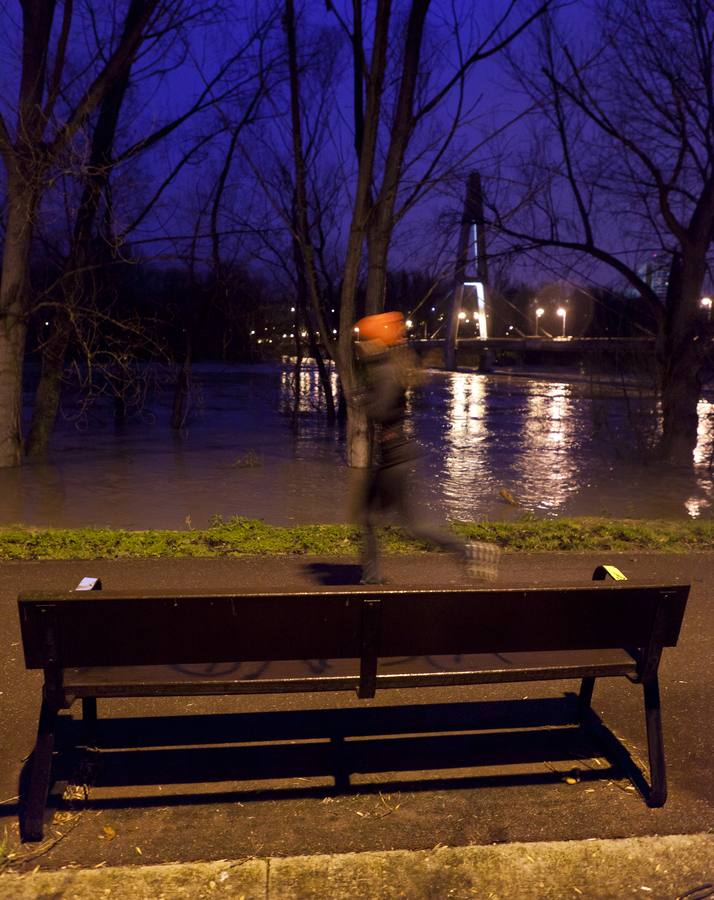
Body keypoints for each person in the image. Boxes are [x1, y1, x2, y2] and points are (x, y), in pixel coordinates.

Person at [353, 311, 474, 584]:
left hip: (396, 460)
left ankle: (466, 550)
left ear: (376, 342)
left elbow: (382, 410)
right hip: (392, 457)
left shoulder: (383, 370)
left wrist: (361, 400)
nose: (360, 345)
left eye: (364, 340)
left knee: (413, 526)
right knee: (368, 517)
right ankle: (370, 579)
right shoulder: (384, 366)